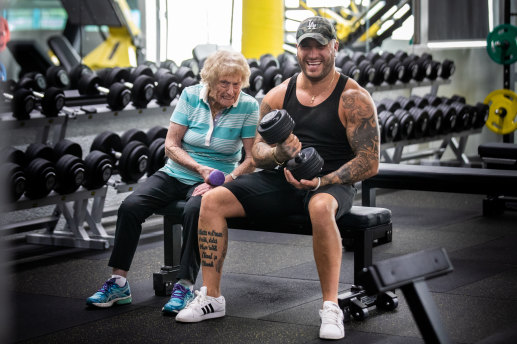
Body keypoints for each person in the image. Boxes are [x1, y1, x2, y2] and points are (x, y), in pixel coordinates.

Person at [176, 16, 380, 340]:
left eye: (320, 46)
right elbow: (256, 153)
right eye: (305, 46)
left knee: (319, 208)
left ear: (334, 48)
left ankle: (330, 307)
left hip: (330, 183)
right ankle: (211, 297)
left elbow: (369, 162)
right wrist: (280, 155)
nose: (313, 53)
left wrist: (322, 182)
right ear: (297, 51)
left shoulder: (353, 98)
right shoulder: (277, 95)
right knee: (211, 200)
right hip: (281, 179)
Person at [86, 49, 260, 315]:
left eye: (237, 84)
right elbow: (171, 145)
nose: (231, 90)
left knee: (194, 210)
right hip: (177, 171)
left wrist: (227, 178)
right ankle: (118, 282)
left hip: (217, 180)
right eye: (224, 83)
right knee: (131, 206)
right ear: (210, 82)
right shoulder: (190, 96)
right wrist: (198, 167)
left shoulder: (248, 106)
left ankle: (185, 285)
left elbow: (252, 159)